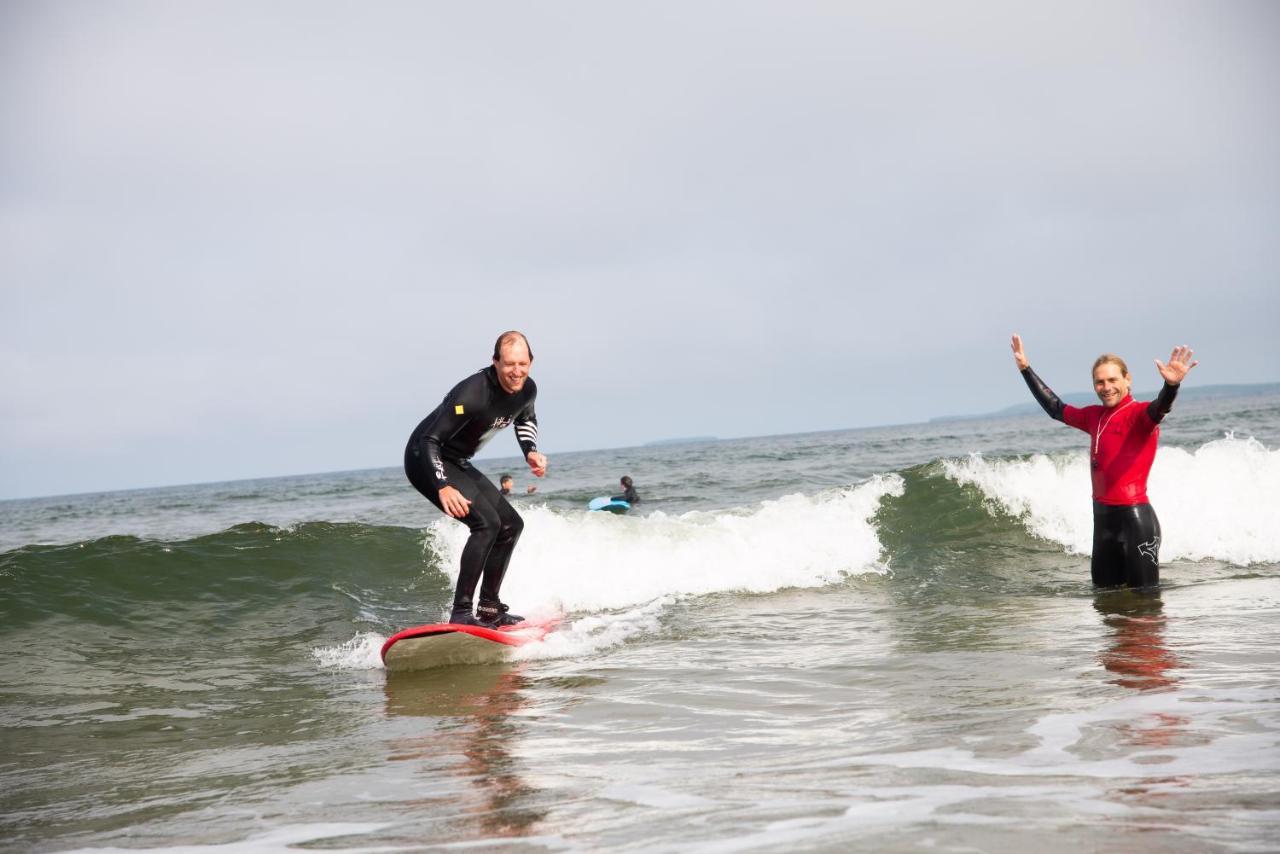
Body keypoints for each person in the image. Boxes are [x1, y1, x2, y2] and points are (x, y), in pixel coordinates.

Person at [1010, 334, 1197, 588]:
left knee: (1146, 607)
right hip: (1103, 524)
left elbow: (1160, 408)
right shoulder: (1094, 416)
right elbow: (1055, 408)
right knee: (1106, 606)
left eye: (1112, 380)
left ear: (1127, 379)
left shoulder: (1139, 414)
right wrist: (1025, 369)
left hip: (1136, 522)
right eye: (1099, 382)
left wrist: (1171, 387)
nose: (1106, 387)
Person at [404, 331, 548, 626]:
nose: (516, 371)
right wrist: (442, 486)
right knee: (486, 524)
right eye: (509, 364)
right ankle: (461, 613)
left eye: (522, 363)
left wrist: (530, 452)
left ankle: (490, 609)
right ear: (495, 362)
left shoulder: (527, 389)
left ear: (531, 362)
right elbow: (430, 439)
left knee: (510, 525)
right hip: (425, 458)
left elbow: (525, 418)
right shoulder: (473, 393)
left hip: (456, 461)